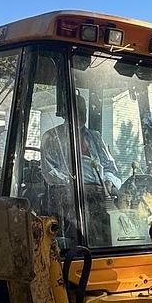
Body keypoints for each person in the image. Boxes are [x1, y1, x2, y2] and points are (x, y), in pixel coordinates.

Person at [41, 103, 121, 245]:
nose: (81, 114)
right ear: (65, 113)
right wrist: (75, 183)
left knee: (123, 206)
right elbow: (50, 172)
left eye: (83, 110)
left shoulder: (95, 137)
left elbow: (110, 167)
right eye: (77, 110)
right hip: (69, 194)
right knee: (86, 224)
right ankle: (86, 246)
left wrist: (108, 181)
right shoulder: (52, 137)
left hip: (100, 192)